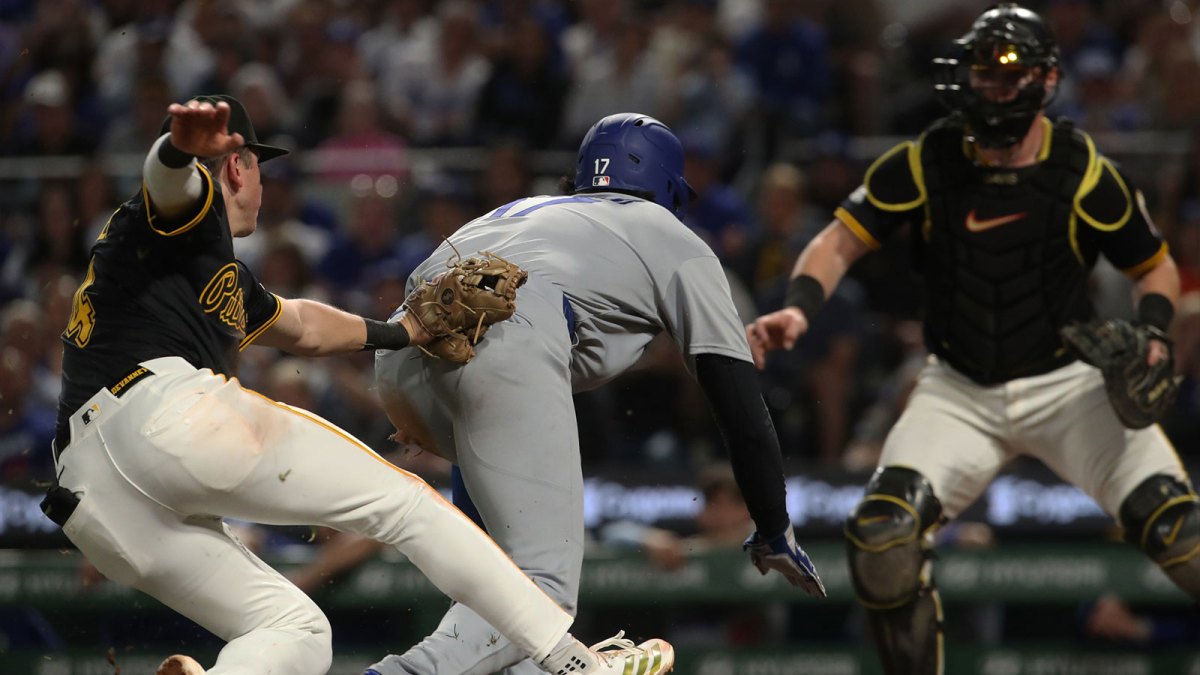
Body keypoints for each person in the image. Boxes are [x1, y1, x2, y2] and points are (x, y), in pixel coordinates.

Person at [44, 95, 673, 675]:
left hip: (93, 496)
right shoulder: (184, 210)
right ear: (236, 166)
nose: (262, 180)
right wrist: (179, 151)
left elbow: (302, 326)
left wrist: (402, 332)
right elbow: (168, 184)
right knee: (409, 506)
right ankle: (575, 664)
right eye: (257, 165)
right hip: (160, 412)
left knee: (295, 630)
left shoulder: (195, 271)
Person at [747, 4, 1198, 674]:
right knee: (881, 538)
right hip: (959, 386)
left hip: (1068, 381)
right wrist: (800, 306)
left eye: (1002, 72)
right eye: (979, 72)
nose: (987, 86)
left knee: (1182, 536)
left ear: (1043, 81)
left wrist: (1156, 333)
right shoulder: (931, 157)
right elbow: (840, 237)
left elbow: (1154, 266)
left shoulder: (1080, 167)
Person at [374, 111, 826, 675]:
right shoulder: (671, 236)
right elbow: (739, 406)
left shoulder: (523, 210)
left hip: (398, 353)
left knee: (507, 592)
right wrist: (773, 522)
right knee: (538, 600)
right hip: (503, 349)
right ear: (668, 187)